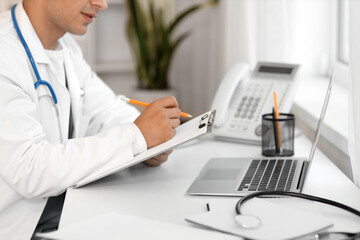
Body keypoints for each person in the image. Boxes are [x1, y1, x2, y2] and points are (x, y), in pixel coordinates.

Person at [0, 0, 181, 239]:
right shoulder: (5, 53)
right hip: (19, 227)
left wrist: (150, 140)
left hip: (63, 209)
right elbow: (30, 169)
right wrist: (136, 137)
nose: (102, 4)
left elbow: (105, 109)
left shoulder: (65, 47)